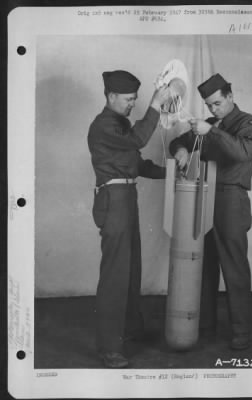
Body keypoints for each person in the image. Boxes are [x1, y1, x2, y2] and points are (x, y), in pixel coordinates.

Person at [169, 73, 252, 350]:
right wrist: (182, 151)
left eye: (218, 103)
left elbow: (242, 153)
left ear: (231, 96)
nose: (213, 110)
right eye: (209, 105)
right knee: (204, 264)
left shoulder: (248, 123)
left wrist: (213, 132)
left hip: (231, 200)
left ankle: (241, 332)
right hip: (203, 198)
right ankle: (205, 324)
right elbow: (178, 142)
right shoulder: (208, 124)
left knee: (233, 267)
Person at [88, 70, 170, 368]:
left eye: (136, 98)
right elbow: (138, 138)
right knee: (116, 275)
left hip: (126, 199)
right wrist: (156, 103)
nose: (133, 103)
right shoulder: (103, 126)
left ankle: (129, 331)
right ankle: (110, 348)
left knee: (132, 269)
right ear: (111, 97)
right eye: (128, 98)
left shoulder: (119, 128)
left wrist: (173, 172)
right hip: (114, 202)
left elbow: (138, 165)